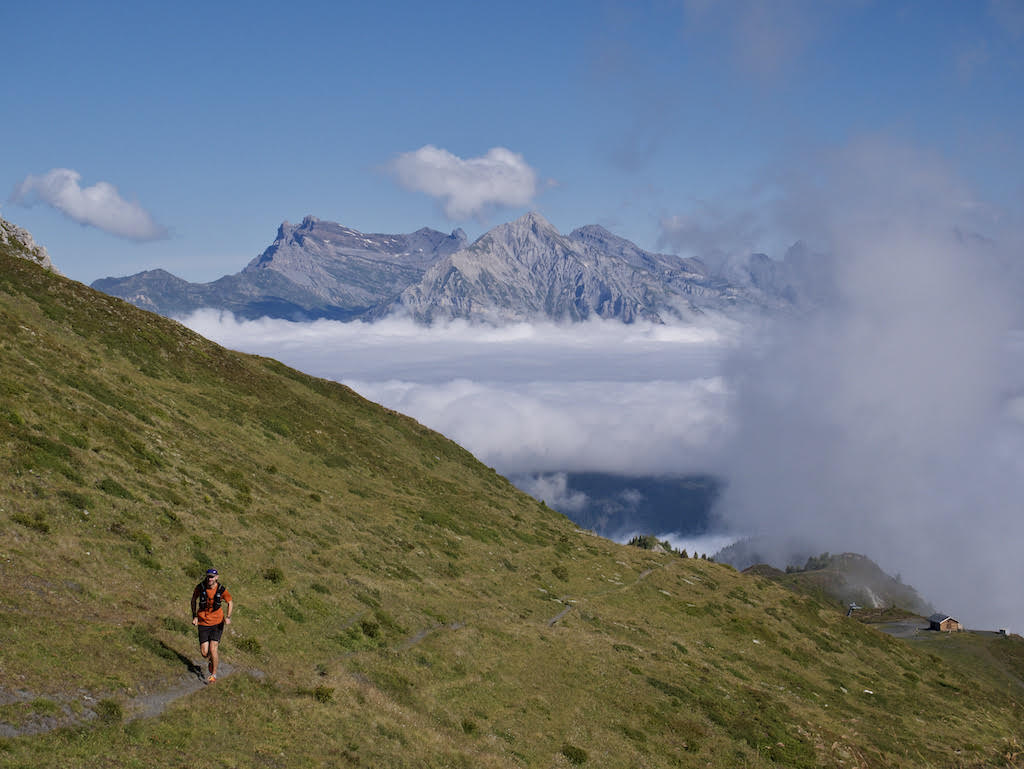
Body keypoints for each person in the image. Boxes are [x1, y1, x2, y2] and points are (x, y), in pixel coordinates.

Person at [191, 567, 233, 683]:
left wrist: (228, 617)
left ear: (217, 577)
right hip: (203, 622)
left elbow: (230, 602)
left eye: (212, 577)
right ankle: (210, 660)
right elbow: (194, 599)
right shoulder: (200, 587)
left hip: (217, 623)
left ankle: (213, 675)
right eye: (208, 576)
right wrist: (194, 616)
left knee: (213, 649)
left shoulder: (221, 590)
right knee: (205, 653)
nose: (210, 579)